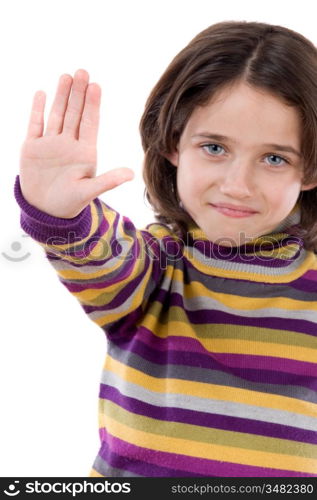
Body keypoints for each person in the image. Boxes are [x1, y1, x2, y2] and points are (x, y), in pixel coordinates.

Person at [14, 20, 317, 477]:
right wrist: (60, 215)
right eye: (214, 147)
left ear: (310, 171)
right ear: (174, 143)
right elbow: (98, 255)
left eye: (274, 158)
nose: (237, 186)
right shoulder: (154, 269)